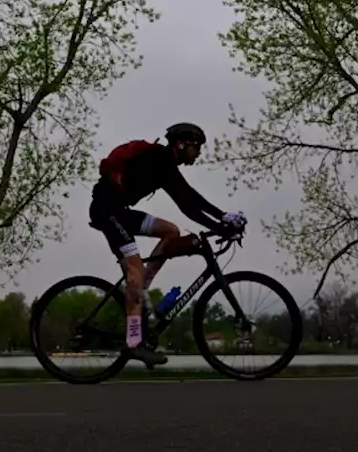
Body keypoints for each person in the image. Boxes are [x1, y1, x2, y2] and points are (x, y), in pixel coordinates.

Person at [88, 122, 246, 366]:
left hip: (120, 210)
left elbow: (188, 198)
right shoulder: (160, 158)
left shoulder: (164, 162)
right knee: (134, 268)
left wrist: (222, 218)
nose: (199, 153)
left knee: (171, 231)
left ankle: (142, 289)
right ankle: (133, 342)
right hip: (108, 210)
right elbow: (188, 202)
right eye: (197, 147)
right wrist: (221, 220)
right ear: (182, 144)